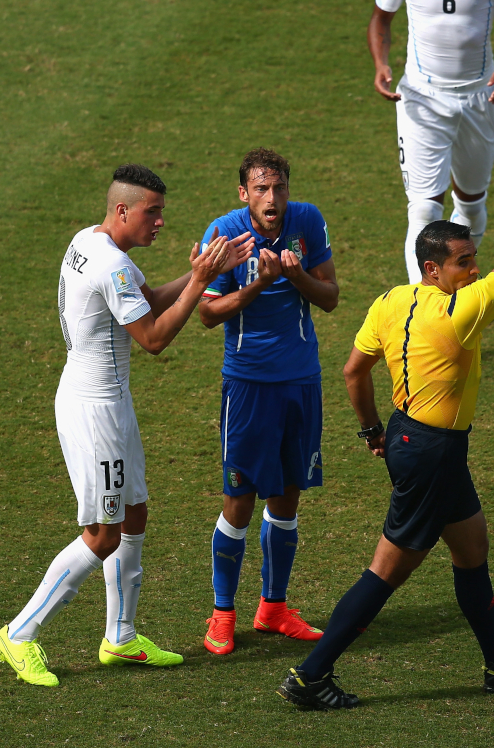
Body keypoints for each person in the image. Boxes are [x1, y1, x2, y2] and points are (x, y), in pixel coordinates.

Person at [277, 152, 494, 710]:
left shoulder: (391, 301)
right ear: (434, 270)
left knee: (471, 545)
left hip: (415, 441)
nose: (474, 270)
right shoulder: (462, 312)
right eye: (463, 263)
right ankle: (311, 674)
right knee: (386, 572)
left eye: (474, 259)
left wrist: (371, 431)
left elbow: (353, 371)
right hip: (431, 453)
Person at [0, 164, 253, 687]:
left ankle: (121, 636)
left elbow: (149, 298)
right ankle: (19, 634)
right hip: (96, 415)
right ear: (122, 210)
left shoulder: (89, 240)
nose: (159, 222)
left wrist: (199, 272)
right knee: (103, 534)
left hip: (108, 403)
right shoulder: (110, 266)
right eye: (152, 213)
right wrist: (202, 282)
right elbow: (153, 337)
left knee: (135, 514)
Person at [197, 148, 340, 653]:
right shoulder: (224, 233)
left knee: (286, 497)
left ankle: (273, 608)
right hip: (249, 385)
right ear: (244, 193)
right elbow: (208, 314)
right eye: (261, 189)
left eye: (278, 187)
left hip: (301, 381)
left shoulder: (308, 221)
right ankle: (222, 614)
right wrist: (259, 282)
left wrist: (295, 275)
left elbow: (330, 296)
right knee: (238, 501)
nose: (272, 198)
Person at [368, 0, 494, 283]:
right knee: (423, 207)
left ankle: (459, 284)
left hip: (480, 97)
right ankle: (422, 303)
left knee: (472, 203)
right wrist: (380, 62)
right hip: (421, 98)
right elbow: (381, 18)